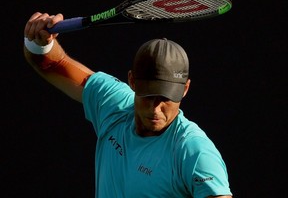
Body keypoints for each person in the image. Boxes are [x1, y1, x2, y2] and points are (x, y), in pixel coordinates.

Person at [23, 12, 233, 198]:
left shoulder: (194, 151)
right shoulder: (112, 104)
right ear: (132, 81)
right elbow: (51, 63)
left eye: (166, 98)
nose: (156, 108)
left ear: (185, 89)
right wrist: (39, 41)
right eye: (148, 95)